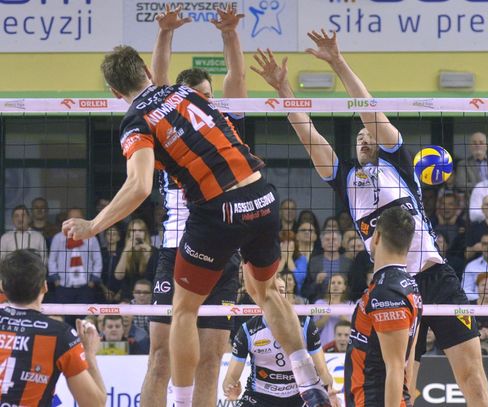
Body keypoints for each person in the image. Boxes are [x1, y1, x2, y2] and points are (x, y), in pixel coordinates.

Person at [63, 9, 331, 407]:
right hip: (260, 196)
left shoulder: (138, 120)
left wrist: (93, 225)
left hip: (215, 216)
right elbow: (166, 78)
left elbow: (138, 185)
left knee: (185, 314)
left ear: (115, 92)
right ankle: (310, 384)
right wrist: (169, 35)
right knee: (266, 293)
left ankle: (185, 402)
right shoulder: (187, 95)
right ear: (145, 73)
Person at [252, 31, 488, 405]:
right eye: (359, 137)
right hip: (394, 288)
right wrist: (284, 88)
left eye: (370, 134)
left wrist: (337, 62)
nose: (364, 139)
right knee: (404, 384)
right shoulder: (345, 179)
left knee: (472, 378)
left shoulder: (399, 164)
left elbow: (368, 108)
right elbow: (309, 135)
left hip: (436, 278)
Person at [139, 5, 262, 407]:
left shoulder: (225, 125)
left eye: (208, 96)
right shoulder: (164, 126)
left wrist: (230, 34)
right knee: (160, 358)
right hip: (176, 249)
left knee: (210, 361)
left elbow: (237, 79)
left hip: (222, 250)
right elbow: (158, 83)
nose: (205, 102)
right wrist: (164, 34)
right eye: (197, 97)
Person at [0, 249, 106, 406]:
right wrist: (89, 353)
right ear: (44, 287)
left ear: (3, 286)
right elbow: (95, 404)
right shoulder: (61, 335)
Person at [222, 277, 340, 407]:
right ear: (263, 296)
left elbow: (322, 371)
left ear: (287, 295)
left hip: (299, 396)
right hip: (260, 396)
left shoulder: (306, 326)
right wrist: (230, 388)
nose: (277, 295)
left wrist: (328, 391)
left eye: (282, 290)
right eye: (273, 291)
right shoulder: (247, 331)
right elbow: (230, 378)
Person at [345, 207, 422, 406]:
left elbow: (395, 366)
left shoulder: (387, 292)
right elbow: (409, 356)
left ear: (377, 236)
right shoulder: (407, 284)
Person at [49, 207, 102, 315]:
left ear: (83, 219)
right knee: (64, 319)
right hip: (64, 286)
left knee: (84, 318)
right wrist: (56, 280)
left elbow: (97, 260)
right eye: (71, 218)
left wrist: (93, 281)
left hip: (85, 287)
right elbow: (52, 260)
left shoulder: (91, 238)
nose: (74, 222)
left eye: (77, 218)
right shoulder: (58, 238)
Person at [114, 218, 158, 299]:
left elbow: (154, 276)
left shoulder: (154, 251)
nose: (137, 233)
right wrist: (125, 252)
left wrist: (149, 256)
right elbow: (118, 276)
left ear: (145, 233)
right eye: (133, 231)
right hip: (127, 297)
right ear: (129, 234)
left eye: (140, 230)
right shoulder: (122, 251)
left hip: (148, 296)